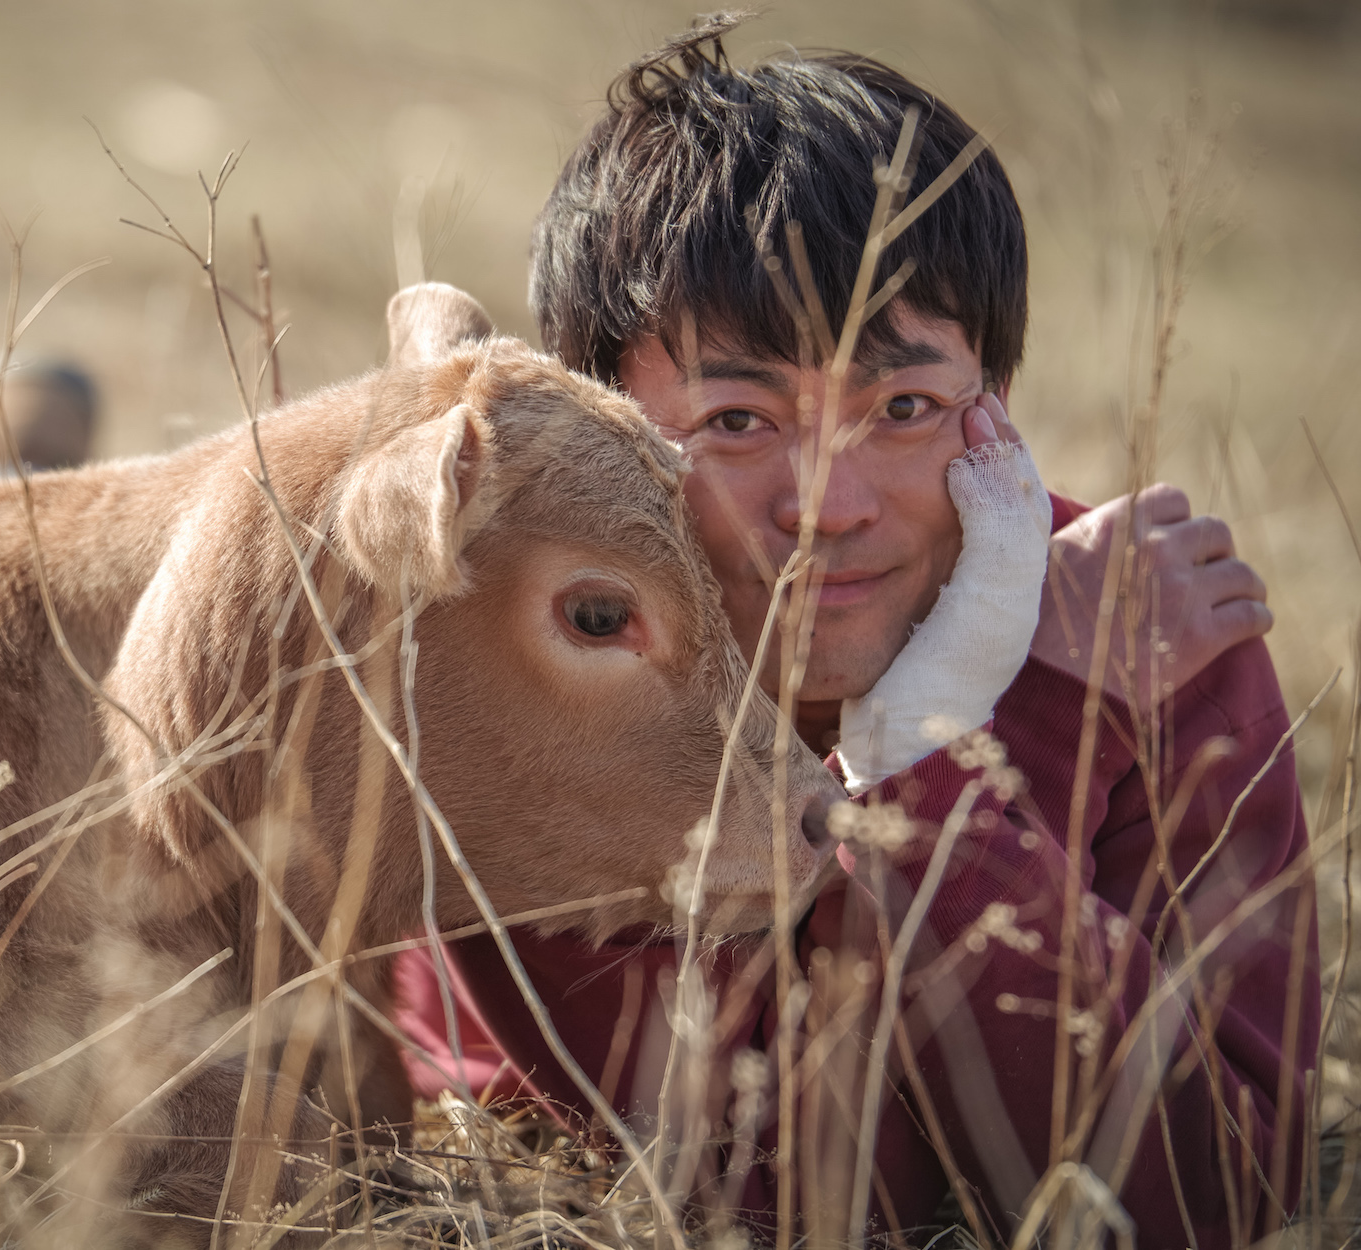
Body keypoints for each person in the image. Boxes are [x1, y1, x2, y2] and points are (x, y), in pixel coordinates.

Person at [394, 16, 1318, 1249]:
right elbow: (789, 1189)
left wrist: (955, 727)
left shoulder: (1138, 623)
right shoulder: (535, 661)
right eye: (733, 419)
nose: (826, 502)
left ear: (992, 408)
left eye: (902, 406)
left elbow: (1217, 1199)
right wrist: (993, 718)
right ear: (606, 427)